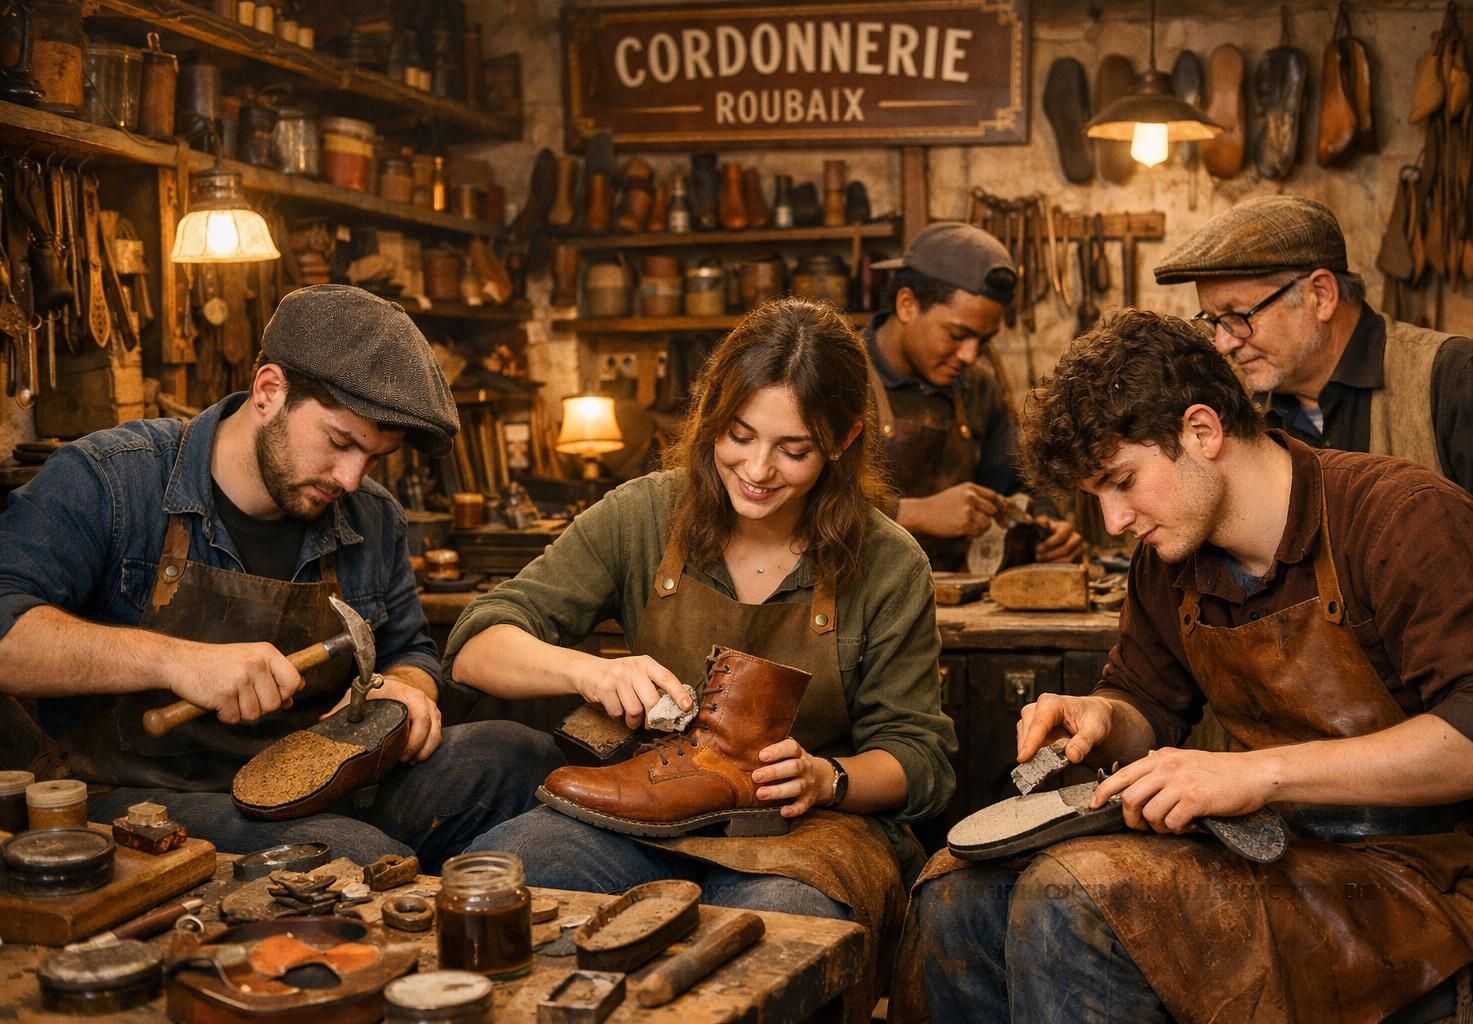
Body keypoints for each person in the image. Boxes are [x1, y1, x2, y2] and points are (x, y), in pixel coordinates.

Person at [899, 308, 1473, 1024]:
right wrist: (1104, 718)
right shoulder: (1167, 562)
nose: (1112, 521)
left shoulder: (1402, 518)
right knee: (957, 892)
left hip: (1432, 874)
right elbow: (1146, 698)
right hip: (1278, 854)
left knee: (1070, 898)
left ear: (1203, 432)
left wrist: (1257, 772)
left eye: (1122, 482)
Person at [446, 298, 956, 1017]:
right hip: (647, 808)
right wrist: (590, 670)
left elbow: (921, 759)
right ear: (710, 417)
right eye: (738, 435)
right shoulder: (645, 515)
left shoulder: (887, 562)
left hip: (811, 834)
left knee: (782, 937)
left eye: (794, 449)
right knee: (514, 876)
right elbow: (475, 644)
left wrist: (825, 777)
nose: (757, 470)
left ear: (843, 440)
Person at [0, 285, 561, 870]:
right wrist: (175, 661)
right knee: (351, 859)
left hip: (319, 778)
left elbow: (411, 651)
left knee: (516, 753)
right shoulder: (111, 482)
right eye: (339, 442)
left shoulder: (372, 516)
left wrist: (407, 691)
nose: (349, 479)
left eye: (373, 459)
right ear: (270, 391)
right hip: (146, 797)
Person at [1155, 194, 1473, 591]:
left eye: (1238, 317)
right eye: (1214, 320)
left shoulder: (1462, 380)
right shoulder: (1254, 419)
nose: (1224, 343)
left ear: (1321, 294)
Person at [867, 222, 1082, 570]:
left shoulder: (978, 387)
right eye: (957, 334)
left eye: (983, 340)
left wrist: (1047, 526)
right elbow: (802, 508)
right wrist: (914, 514)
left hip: (957, 598)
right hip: (860, 606)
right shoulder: (836, 377)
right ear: (907, 304)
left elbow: (1013, 484)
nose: (970, 355)